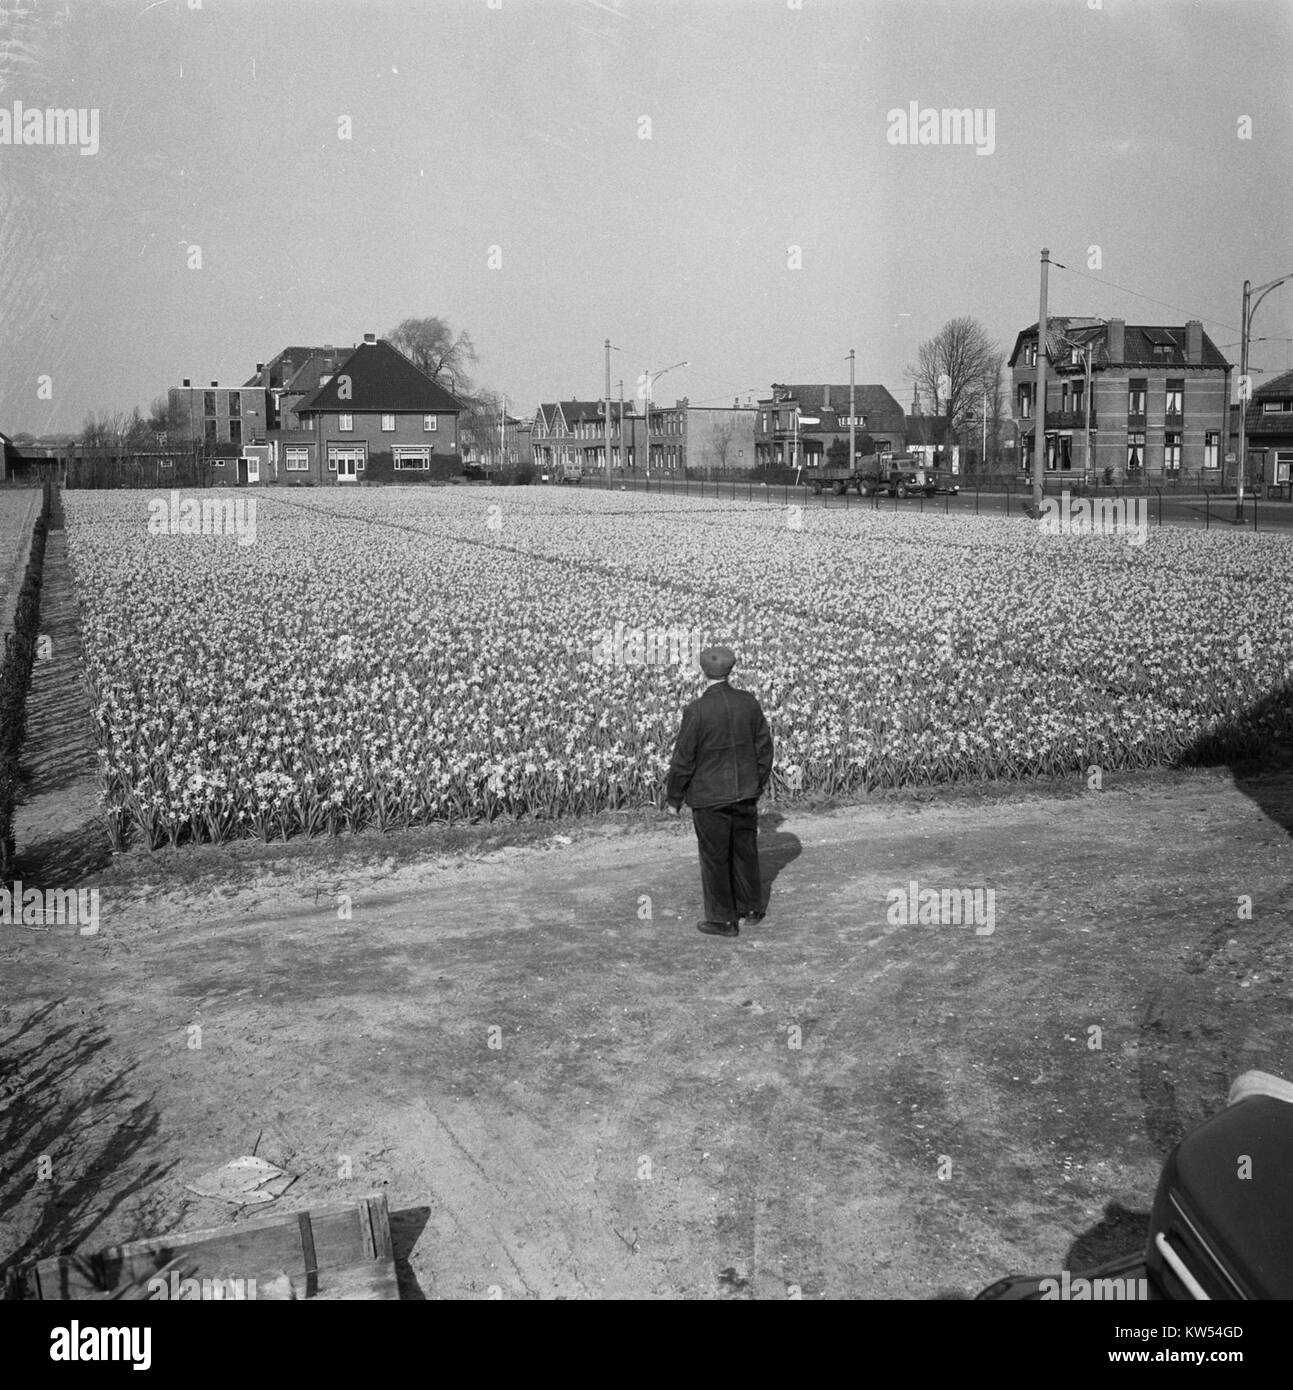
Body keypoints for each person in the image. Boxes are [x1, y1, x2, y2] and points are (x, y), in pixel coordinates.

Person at [665, 645, 774, 938]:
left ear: (704, 671)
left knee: (714, 857)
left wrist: (674, 797)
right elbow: (764, 747)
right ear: (730, 670)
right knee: (745, 849)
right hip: (745, 793)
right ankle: (751, 908)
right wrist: (757, 782)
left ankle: (723, 920)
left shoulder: (697, 711)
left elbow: (683, 759)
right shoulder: (748, 702)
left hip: (710, 798)